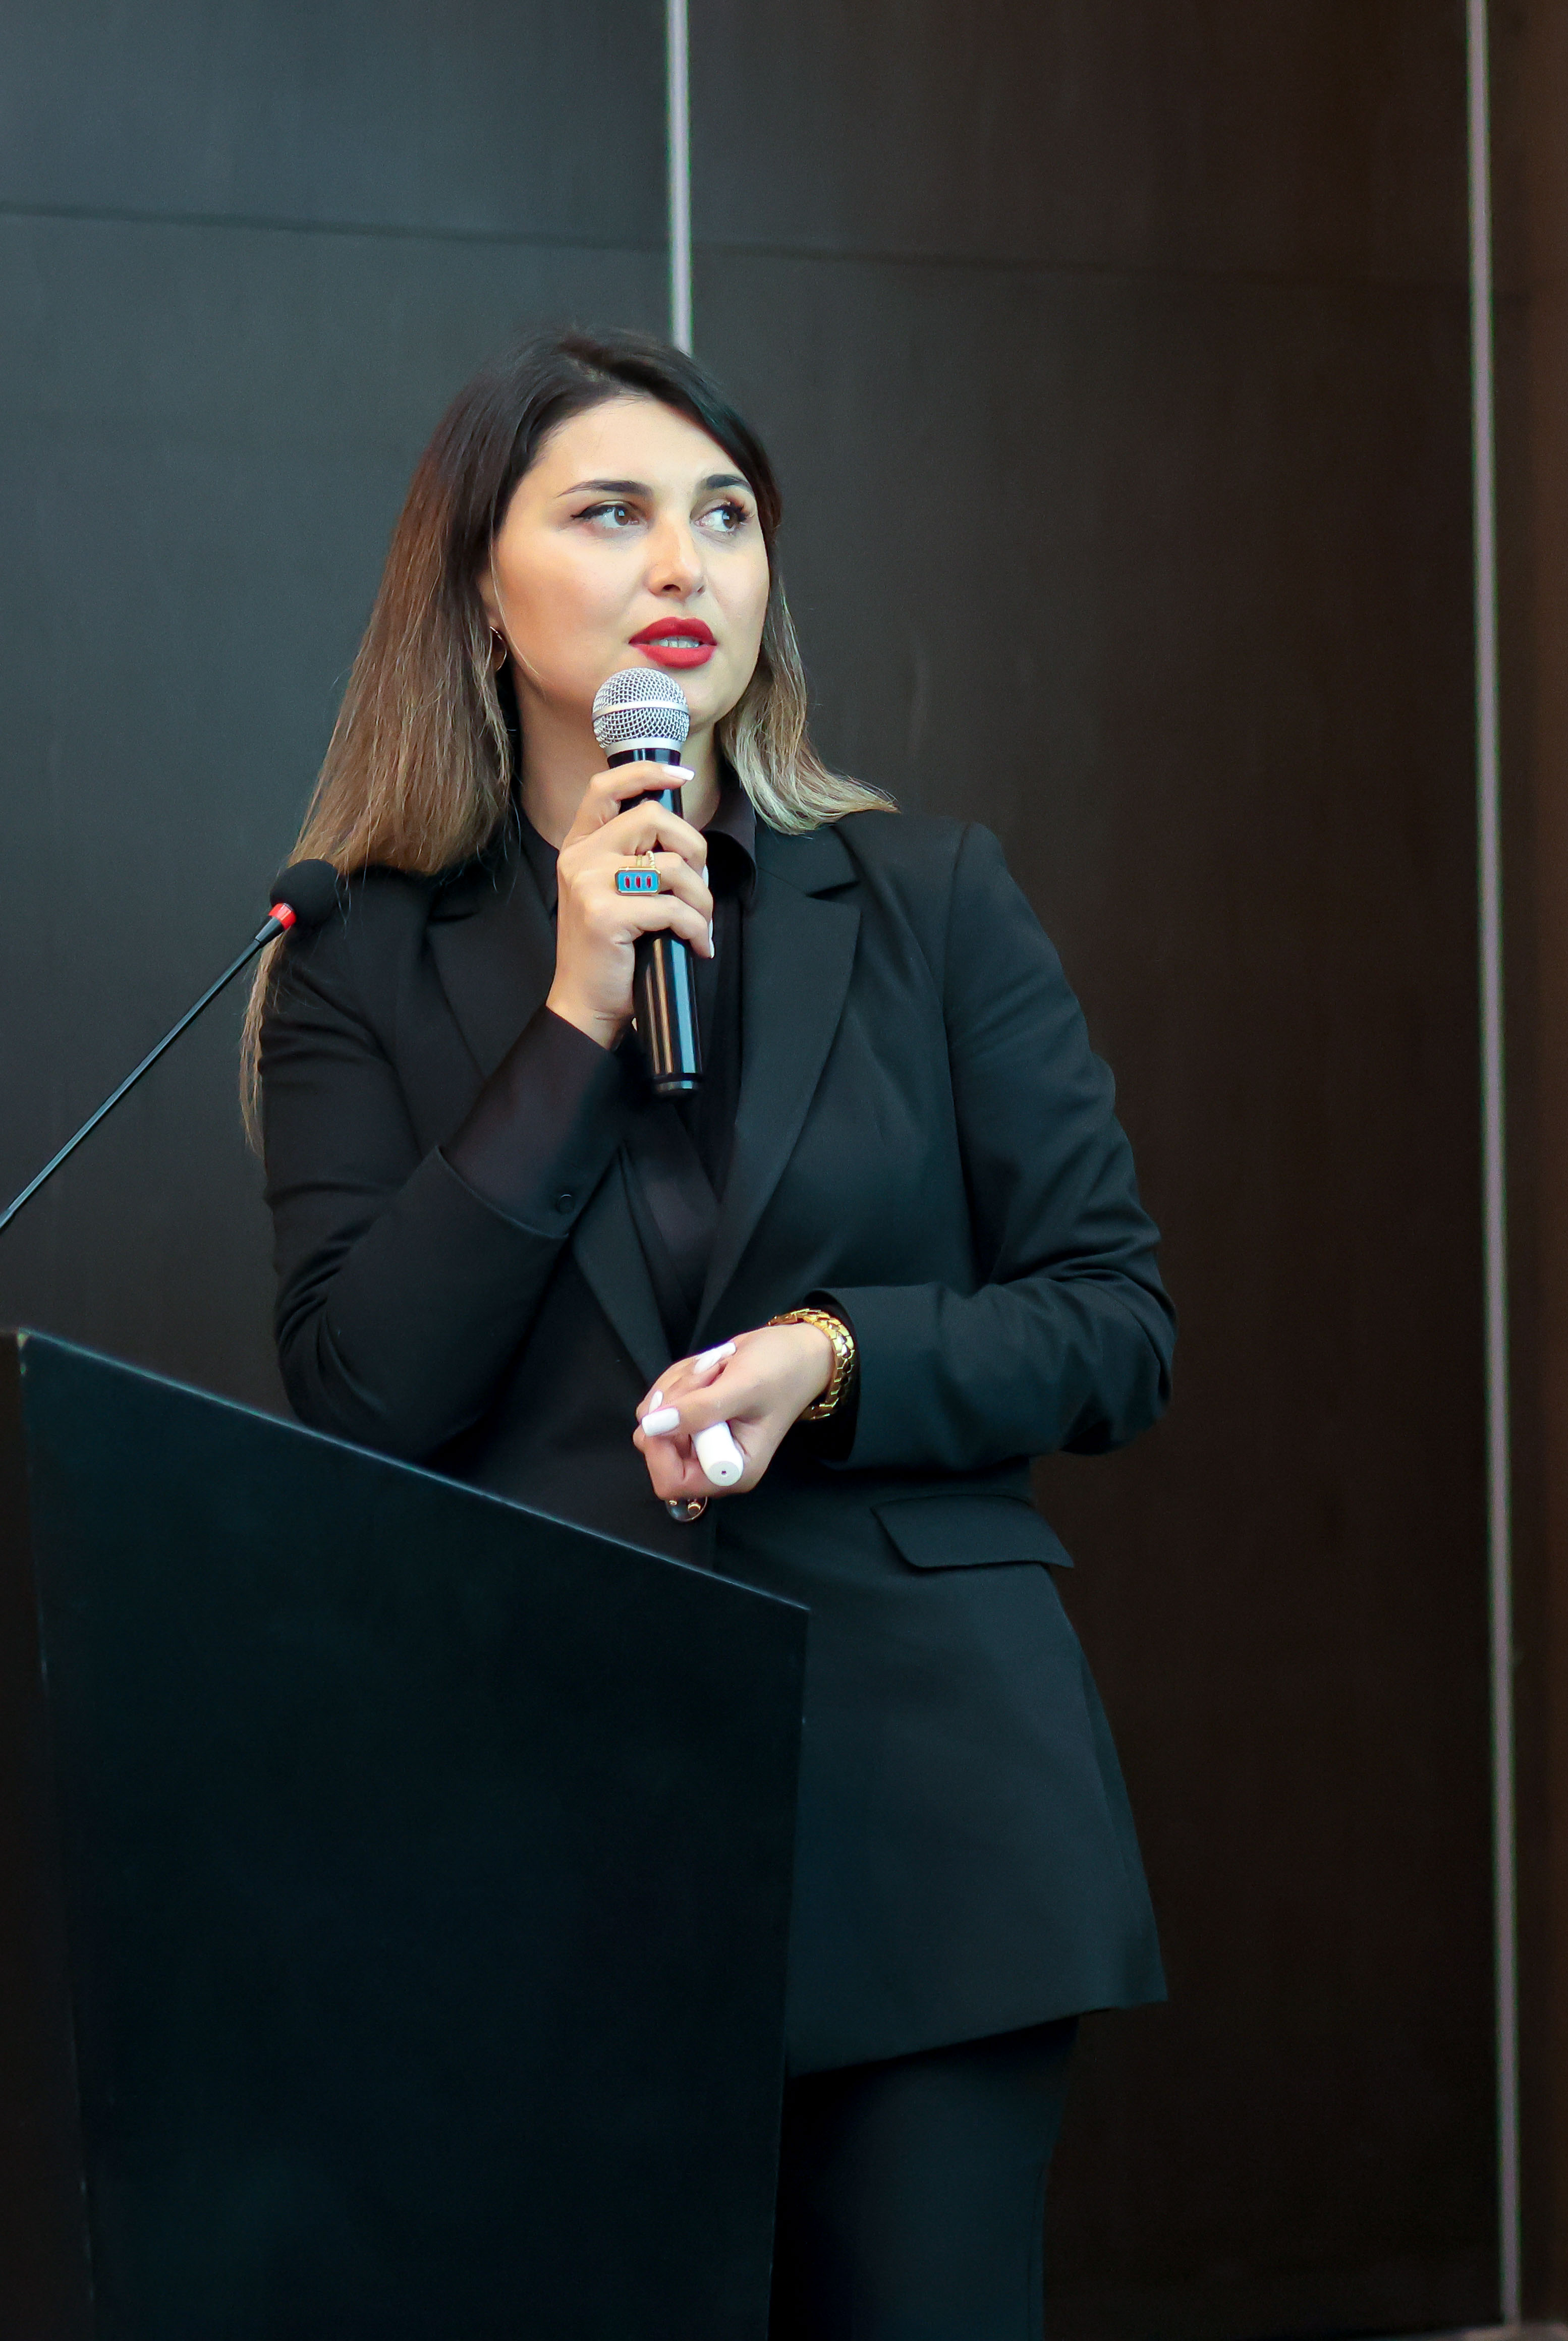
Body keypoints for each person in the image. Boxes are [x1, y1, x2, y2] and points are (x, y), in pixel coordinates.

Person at [244, 325, 1172, 2338]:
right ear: (479, 598)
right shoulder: (353, 955)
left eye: (727, 515)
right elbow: (362, 1391)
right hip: (541, 1825)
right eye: (612, 513)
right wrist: (574, 1016)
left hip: (928, 1816)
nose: (687, 561)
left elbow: (1113, 1320)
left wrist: (835, 1357)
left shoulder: (928, 900)